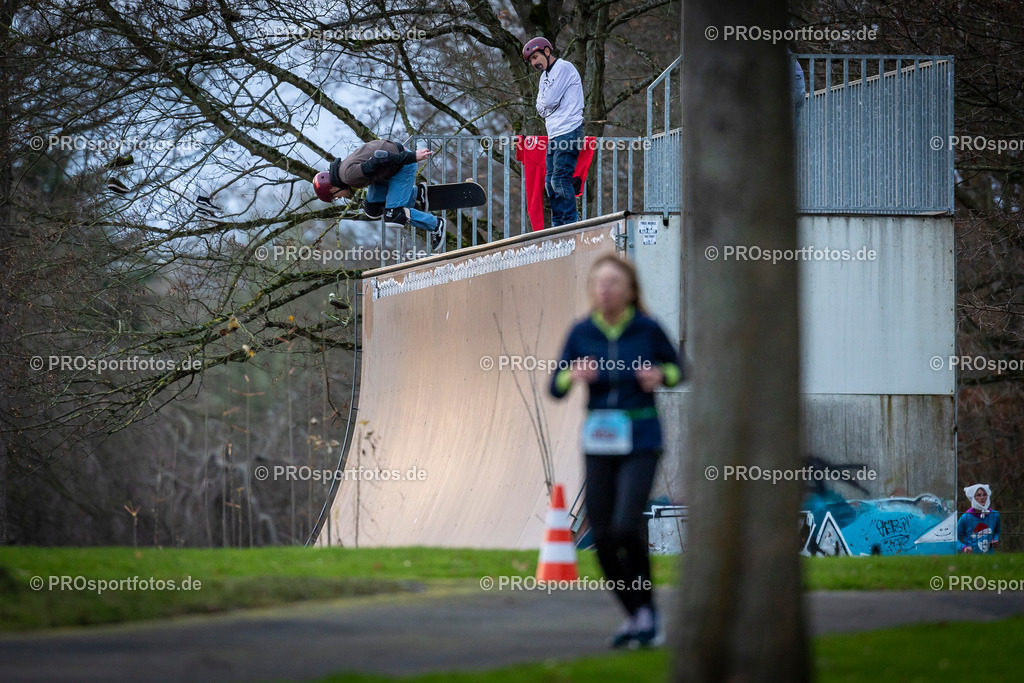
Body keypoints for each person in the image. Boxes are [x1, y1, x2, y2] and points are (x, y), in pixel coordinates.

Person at [549, 254, 683, 648]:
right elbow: (554, 387)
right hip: (598, 442)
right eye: (599, 283)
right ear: (592, 290)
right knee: (603, 535)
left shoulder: (647, 328)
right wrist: (572, 375)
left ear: (629, 290)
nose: (605, 289)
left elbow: (679, 370)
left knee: (626, 524)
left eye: (613, 283)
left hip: (641, 438)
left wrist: (660, 374)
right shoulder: (582, 332)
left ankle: (648, 611)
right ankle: (637, 613)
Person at [312, 140, 446, 251]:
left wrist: (412, 156)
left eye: (336, 196)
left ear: (333, 188)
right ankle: (416, 195)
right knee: (373, 209)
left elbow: (380, 159)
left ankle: (436, 224)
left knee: (393, 215)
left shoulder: (350, 177)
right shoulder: (342, 171)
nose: (340, 197)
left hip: (402, 165)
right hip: (388, 169)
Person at [523, 37, 584, 227]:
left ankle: (570, 223)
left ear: (547, 52)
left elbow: (547, 102)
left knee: (560, 179)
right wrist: (547, 102)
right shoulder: (544, 77)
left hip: (569, 131)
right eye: (531, 60)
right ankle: (558, 224)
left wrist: (548, 103)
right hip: (555, 134)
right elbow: (540, 108)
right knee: (550, 182)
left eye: (535, 57)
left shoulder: (564, 67)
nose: (534, 63)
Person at [957, 484, 1001, 554]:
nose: (982, 497)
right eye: (978, 495)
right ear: (973, 498)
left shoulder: (995, 515)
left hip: (988, 559)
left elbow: (998, 531)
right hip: (969, 559)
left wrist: (995, 539)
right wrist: (963, 548)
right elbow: (954, 538)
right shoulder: (965, 517)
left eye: (984, 494)